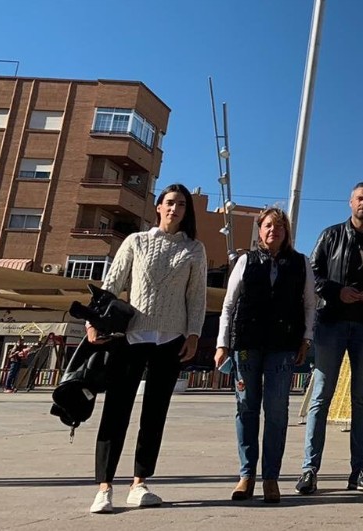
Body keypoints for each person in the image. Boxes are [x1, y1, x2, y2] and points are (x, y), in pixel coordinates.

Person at [88, 183, 208, 514]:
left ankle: (140, 482)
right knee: (116, 411)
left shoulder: (194, 249)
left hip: (170, 341)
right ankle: (104, 487)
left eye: (181, 205)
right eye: (170, 203)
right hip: (132, 338)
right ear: (158, 207)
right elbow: (111, 284)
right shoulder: (136, 242)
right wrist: (93, 320)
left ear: (186, 211)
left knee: (154, 415)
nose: (175, 209)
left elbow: (196, 297)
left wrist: (194, 334)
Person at [296, 182, 363, 495]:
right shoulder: (331, 235)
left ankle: (359, 468)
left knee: (362, 400)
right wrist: (336, 291)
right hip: (331, 323)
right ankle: (310, 469)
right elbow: (313, 274)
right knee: (321, 396)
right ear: (350, 201)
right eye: (359, 198)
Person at [216, 207, 317, 504]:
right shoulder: (246, 260)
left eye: (280, 226)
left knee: (276, 411)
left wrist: (306, 339)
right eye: (268, 226)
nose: (274, 230)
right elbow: (228, 305)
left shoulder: (300, 264)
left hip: (283, 346)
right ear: (260, 230)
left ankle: (270, 477)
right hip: (247, 344)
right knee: (246, 407)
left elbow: (310, 304)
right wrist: (223, 343)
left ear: (286, 233)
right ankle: (246, 474)